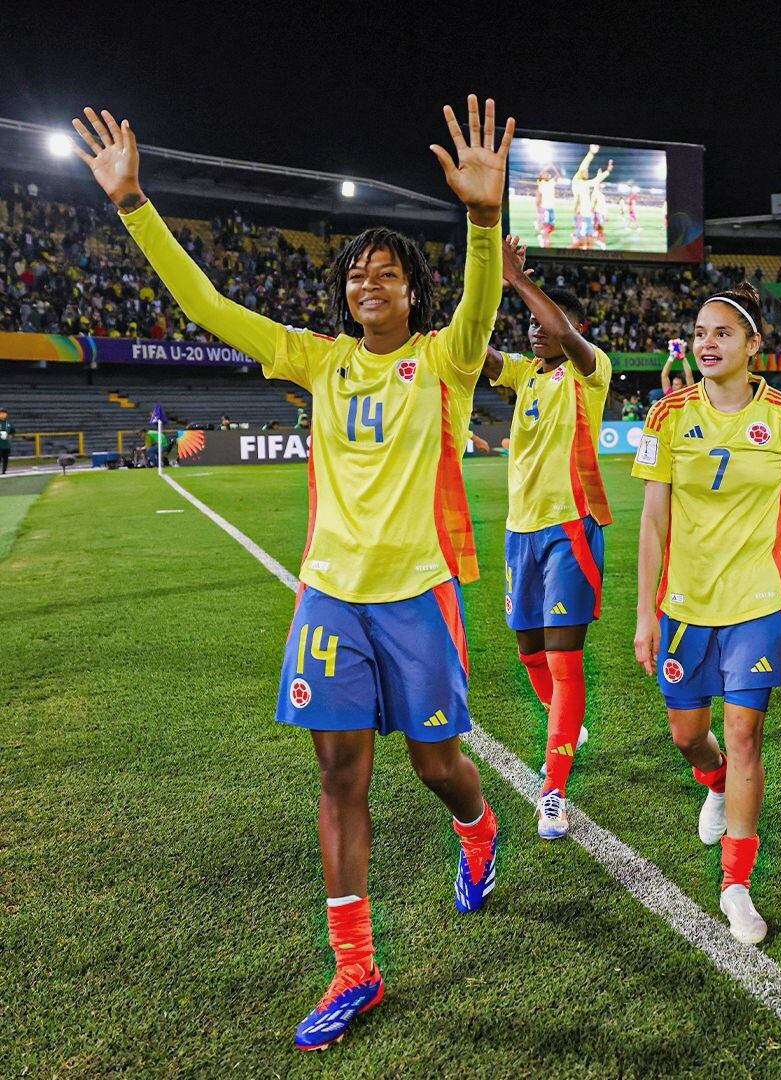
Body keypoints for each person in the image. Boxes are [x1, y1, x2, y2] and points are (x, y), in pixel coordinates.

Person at [73, 96, 515, 1048]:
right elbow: (208, 307)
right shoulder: (316, 362)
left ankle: (475, 830)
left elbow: (481, 302)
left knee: (435, 765)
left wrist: (483, 220)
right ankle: (355, 966)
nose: (368, 284)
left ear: (413, 294)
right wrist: (134, 204)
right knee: (337, 770)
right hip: (330, 597)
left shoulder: (447, 361)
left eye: (387, 274)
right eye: (357, 273)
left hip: (417, 597)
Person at [632, 283, 781, 944]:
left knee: (744, 734)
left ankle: (735, 885)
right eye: (701, 332)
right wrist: (644, 613)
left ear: (753, 345)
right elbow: (653, 521)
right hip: (685, 604)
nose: (708, 343)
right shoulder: (666, 416)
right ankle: (710, 781)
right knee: (690, 734)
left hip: (757, 600)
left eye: (723, 333)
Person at [483, 236, 612, 838]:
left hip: (570, 530)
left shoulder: (591, 372)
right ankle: (568, 725)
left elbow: (556, 326)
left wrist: (519, 281)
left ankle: (552, 789)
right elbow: (476, 356)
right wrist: (487, 271)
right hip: (519, 534)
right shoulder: (526, 375)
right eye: (529, 325)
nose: (534, 333)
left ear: (567, 327)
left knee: (563, 661)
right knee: (528, 652)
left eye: (543, 323)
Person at [0, 408, 13, 474]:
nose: (2, 415)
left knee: (5, 459)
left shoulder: (8, 423)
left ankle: (4, 471)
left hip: (6, 444)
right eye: (1, 413)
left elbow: (12, 431)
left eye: (4, 414)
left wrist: (10, 435)